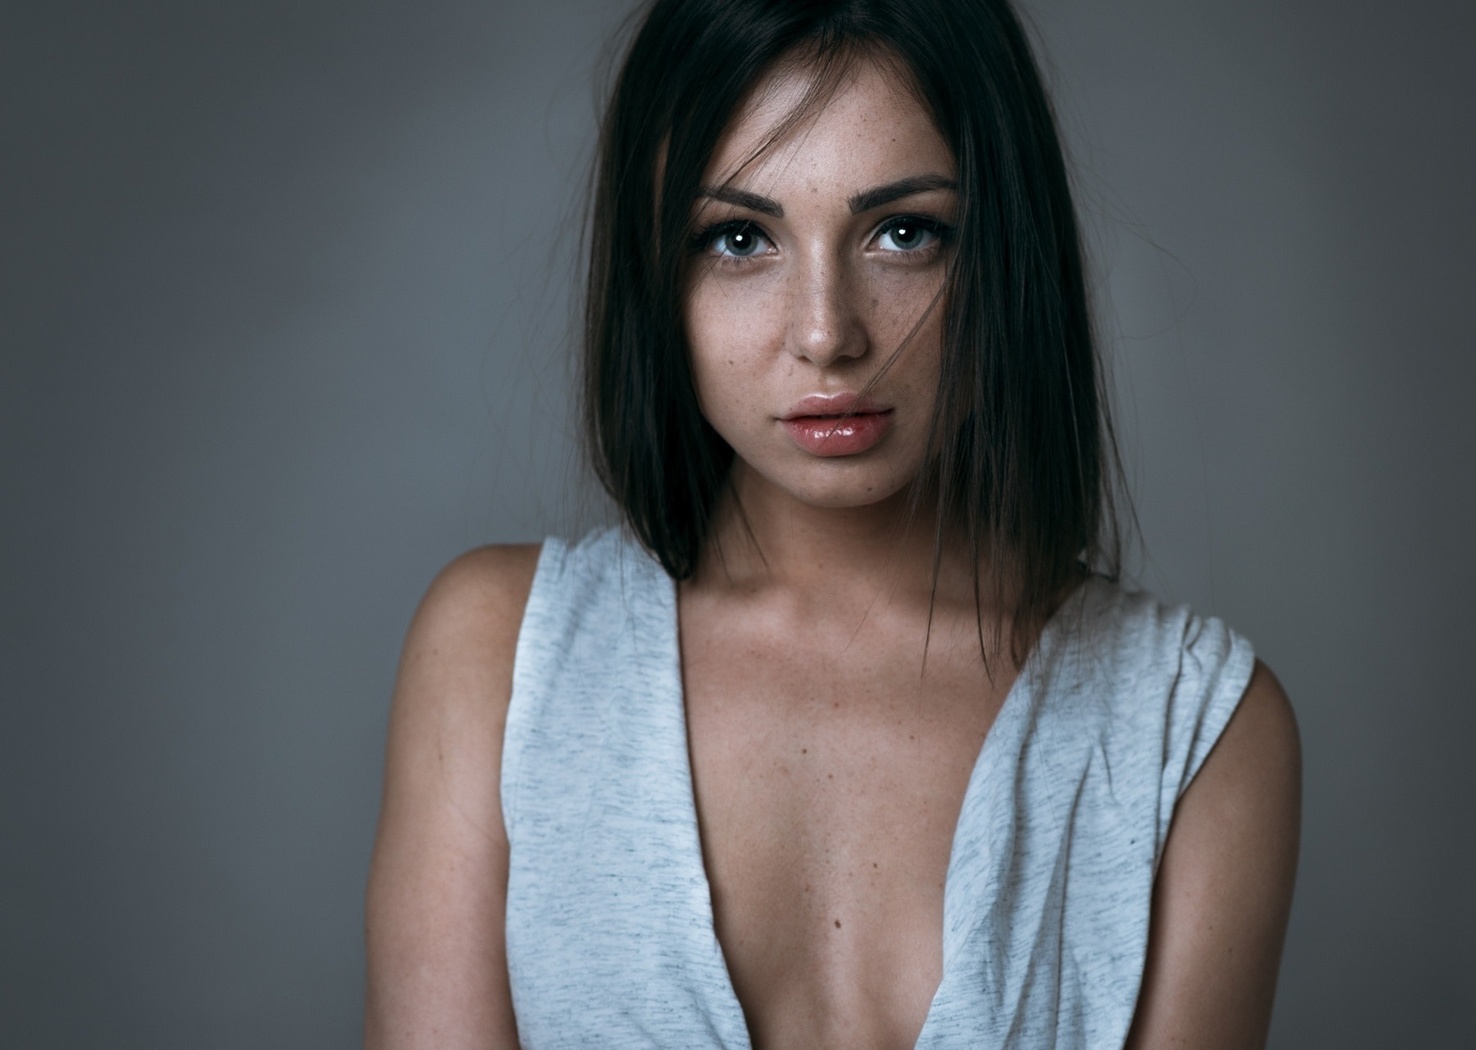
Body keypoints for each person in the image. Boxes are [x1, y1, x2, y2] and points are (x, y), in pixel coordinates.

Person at [364, 0, 1301, 1046]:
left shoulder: (1195, 729)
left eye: (904, 234)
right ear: (654, 275)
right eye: (738, 238)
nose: (826, 333)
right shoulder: (501, 661)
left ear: (1003, 254)